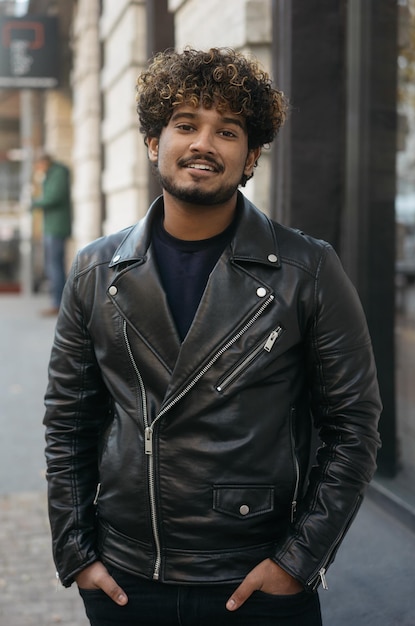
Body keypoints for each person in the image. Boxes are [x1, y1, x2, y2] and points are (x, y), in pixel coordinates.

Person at [43, 47, 382, 626]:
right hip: (128, 576)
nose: (203, 143)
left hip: (255, 577)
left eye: (227, 131)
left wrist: (297, 563)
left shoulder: (307, 269)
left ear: (250, 158)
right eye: (185, 124)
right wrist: (76, 555)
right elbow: (69, 420)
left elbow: (353, 427)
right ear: (154, 143)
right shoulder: (96, 270)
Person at [31, 152, 72, 315]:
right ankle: (58, 302)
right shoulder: (52, 174)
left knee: (54, 266)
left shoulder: (58, 173)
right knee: (53, 265)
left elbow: (53, 197)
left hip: (56, 228)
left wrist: (34, 203)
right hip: (51, 227)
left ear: (43, 162)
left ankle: (59, 303)